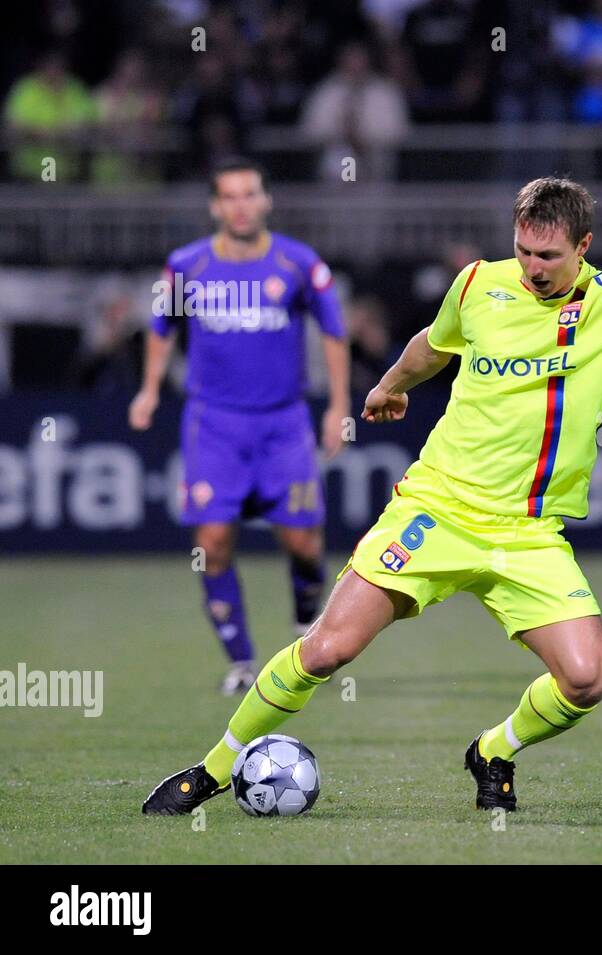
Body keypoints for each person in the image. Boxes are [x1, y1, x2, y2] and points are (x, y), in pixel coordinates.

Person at [142, 176, 602, 816]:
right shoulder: (480, 283)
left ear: (583, 245)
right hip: (437, 510)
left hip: (528, 533)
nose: (533, 268)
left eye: (549, 256)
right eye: (524, 252)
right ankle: (211, 770)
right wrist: (391, 383)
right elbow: (433, 343)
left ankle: (493, 751)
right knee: (327, 648)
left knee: (587, 680)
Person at [129, 157, 350, 695]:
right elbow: (161, 330)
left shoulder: (299, 263)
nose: (241, 205)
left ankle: (304, 627)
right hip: (214, 426)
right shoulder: (185, 266)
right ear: (215, 205)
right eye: (230, 196)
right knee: (212, 540)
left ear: (266, 200)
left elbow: (334, 331)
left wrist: (338, 404)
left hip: (284, 424)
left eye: (250, 194)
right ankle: (241, 661)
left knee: (302, 541)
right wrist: (150, 388)